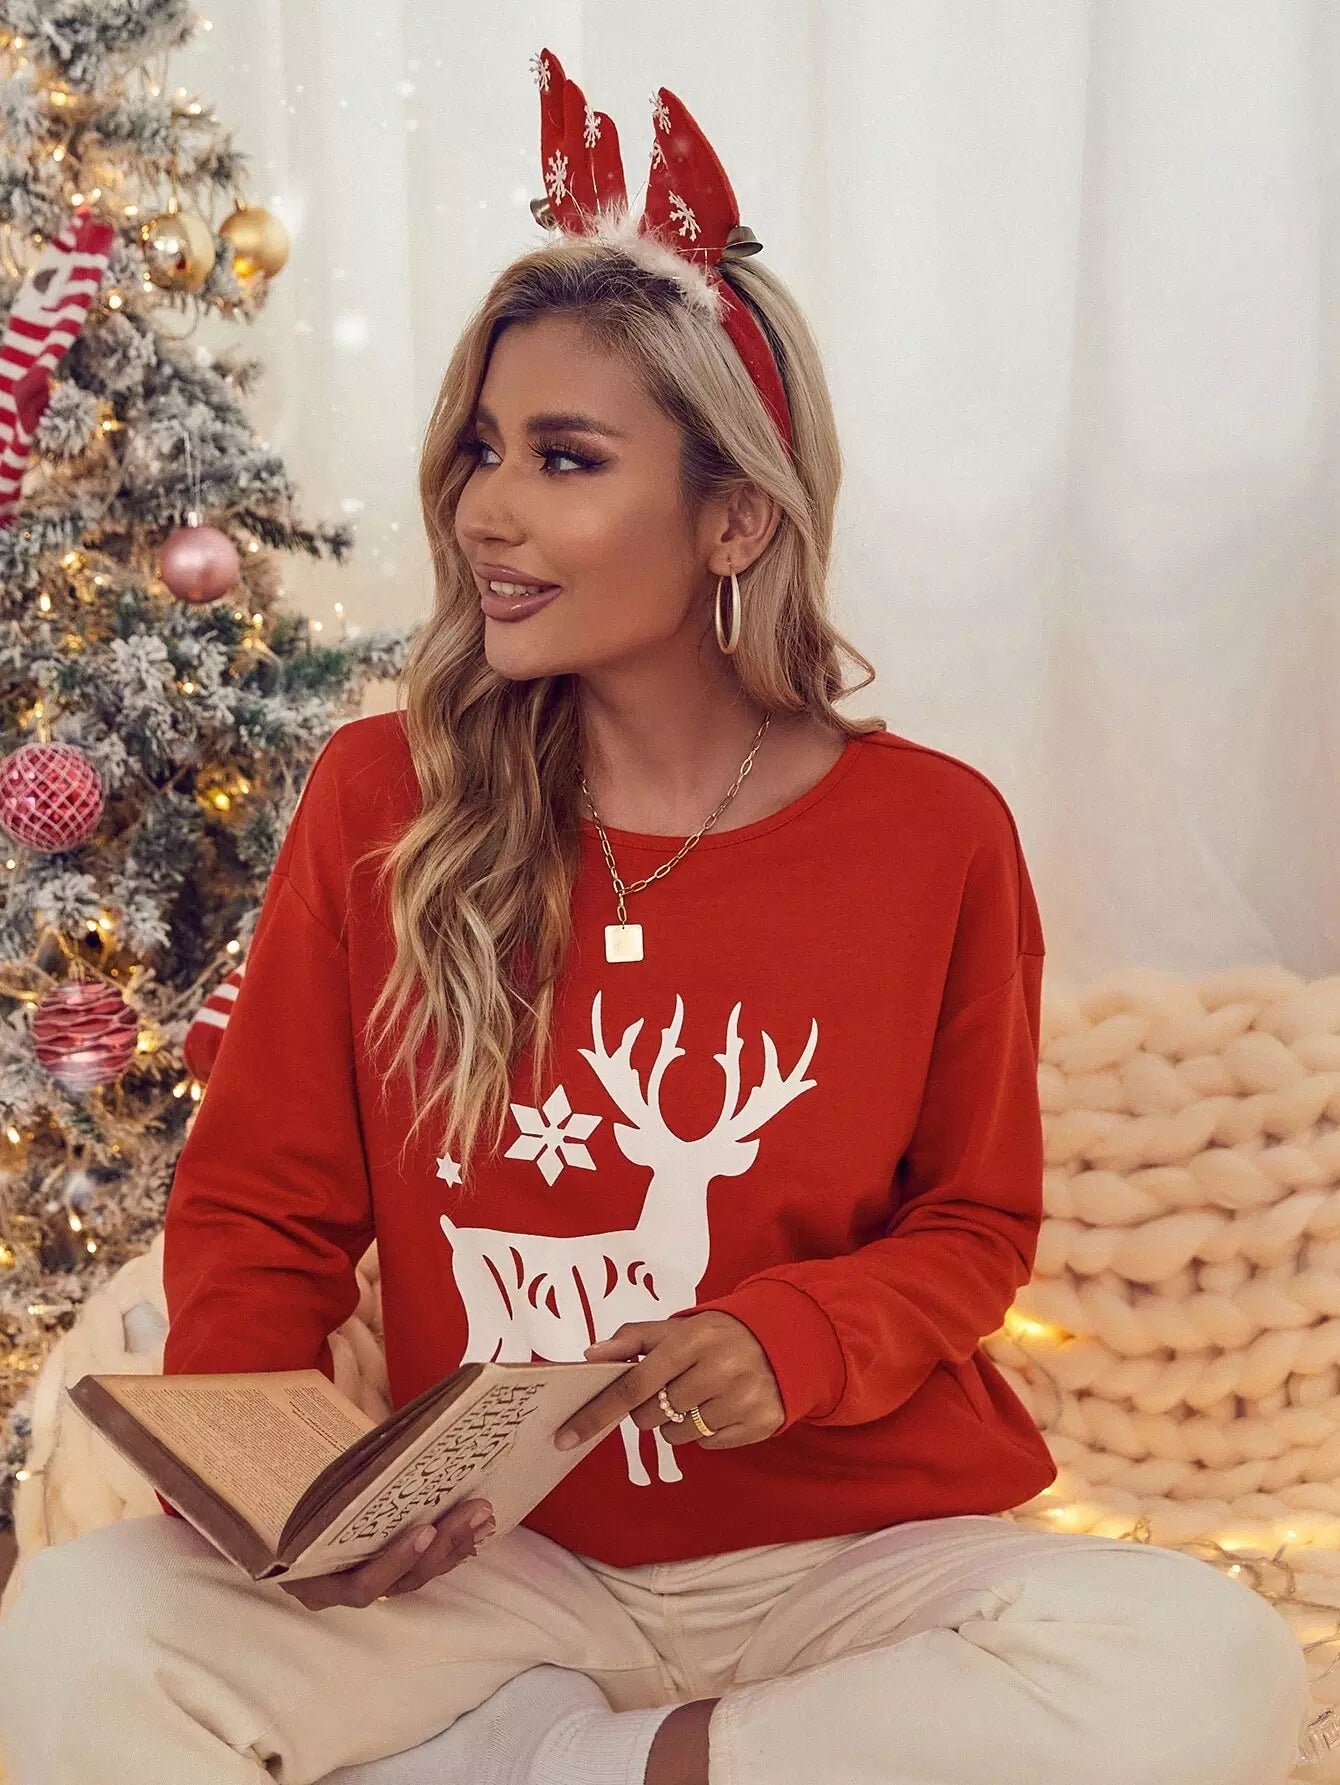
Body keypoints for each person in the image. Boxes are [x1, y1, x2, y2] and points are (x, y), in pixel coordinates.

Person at [0, 48, 1310, 1785]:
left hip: (849, 1566)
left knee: (1208, 1662)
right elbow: (261, 1210)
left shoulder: (935, 835)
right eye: (481, 448)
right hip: (488, 1561)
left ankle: (575, 1766)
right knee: (78, 1627)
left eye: (566, 457)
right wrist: (283, 1494)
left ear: (735, 517)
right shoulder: (384, 798)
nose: (486, 508)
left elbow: (974, 1224)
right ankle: (609, 1744)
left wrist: (792, 1337)